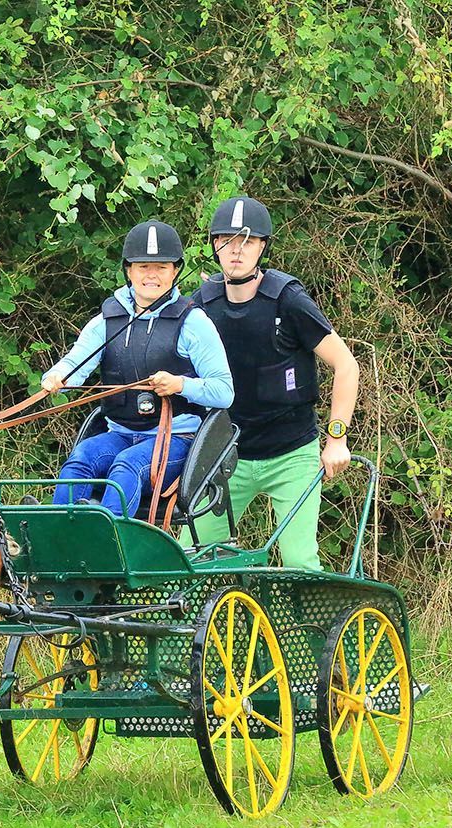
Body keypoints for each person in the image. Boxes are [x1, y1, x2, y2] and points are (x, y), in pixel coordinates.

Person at [189, 196, 359, 571]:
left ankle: (311, 610)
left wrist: (337, 439)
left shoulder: (288, 301)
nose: (236, 250)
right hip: (226, 457)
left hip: (291, 453)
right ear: (214, 245)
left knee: (299, 561)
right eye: (227, 240)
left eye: (247, 241)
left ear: (262, 247)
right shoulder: (201, 306)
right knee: (189, 559)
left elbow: (346, 364)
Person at [42, 219, 234, 518]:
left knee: (127, 466)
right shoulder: (106, 321)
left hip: (176, 441)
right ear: (129, 270)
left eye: (161, 267)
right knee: (80, 460)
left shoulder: (194, 323)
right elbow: (74, 364)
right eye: (143, 266)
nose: (151, 275)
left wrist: (180, 385)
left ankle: (108, 536)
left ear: (175, 271)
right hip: (119, 434)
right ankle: (58, 532)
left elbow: (224, 392)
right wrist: (56, 377)